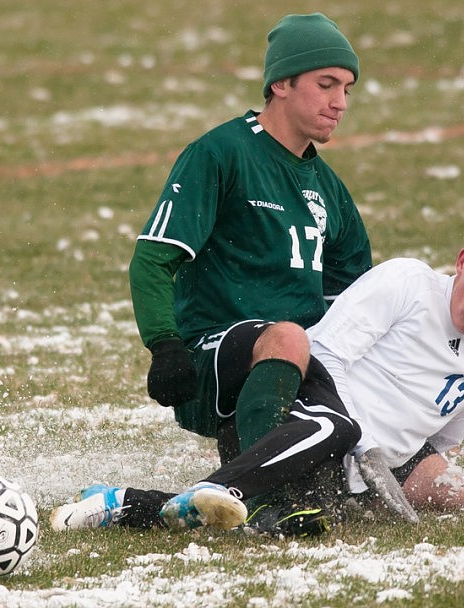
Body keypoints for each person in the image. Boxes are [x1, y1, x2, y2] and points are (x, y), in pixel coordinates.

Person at [51, 212, 464, 535]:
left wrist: (409, 481)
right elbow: (326, 353)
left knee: (451, 492)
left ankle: (216, 500)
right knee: (338, 426)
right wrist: (363, 443)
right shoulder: (407, 282)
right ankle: (135, 503)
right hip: (304, 404)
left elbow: (442, 445)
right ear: (463, 261)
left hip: (355, 467)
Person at [128, 14, 371, 490]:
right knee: (287, 337)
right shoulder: (221, 153)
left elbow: (355, 300)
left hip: (295, 368)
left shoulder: (329, 188)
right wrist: (165, 346)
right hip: (212, 358)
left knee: (360, 489)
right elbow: (153, 259)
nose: (340, 103)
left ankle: (153, 503)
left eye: (346, 89)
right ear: (281, 83)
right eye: (326, 85)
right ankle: (260, 488)